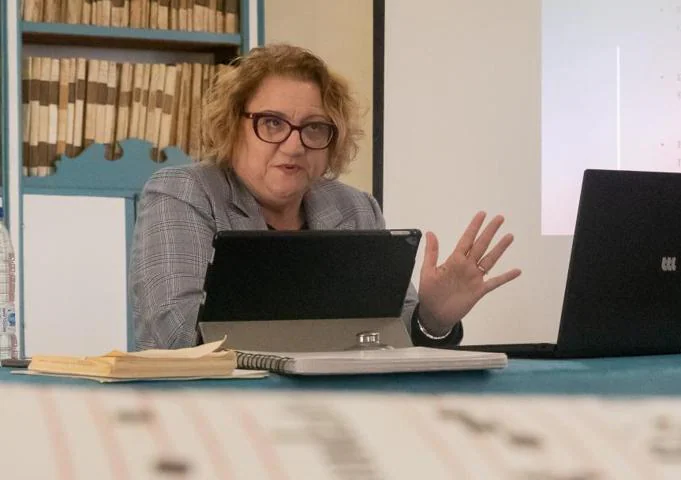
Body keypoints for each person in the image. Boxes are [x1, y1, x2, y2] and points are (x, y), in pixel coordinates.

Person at [129, 43, 521, 350]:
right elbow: (176, 334)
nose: (294, 145)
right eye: (272, 123)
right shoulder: (185, 193)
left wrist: (432, 319)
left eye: (314, 128)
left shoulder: (354, 208)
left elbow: (394, 338)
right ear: (233, 125)